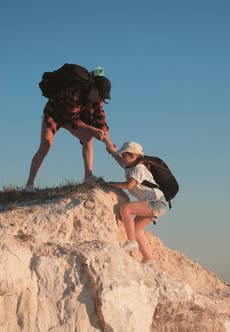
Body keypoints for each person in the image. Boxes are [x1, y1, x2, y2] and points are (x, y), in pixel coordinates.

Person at [25, 65, 112, 193]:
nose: (101, 100)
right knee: (46, 145)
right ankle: (29, 185)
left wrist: (109, 142)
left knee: (87, 137)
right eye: (100, 96)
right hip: (54, 113)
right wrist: (93, 130)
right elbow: (73, 120)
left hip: (72, 116)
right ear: (93, 89)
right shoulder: (75, 91)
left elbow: (101, 120)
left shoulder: (98, 100)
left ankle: (88, 176)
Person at [102, 139, 169, 266]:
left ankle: (131, 242)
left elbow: (129, 185)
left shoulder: (139, 168)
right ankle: (148, 259)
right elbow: (116, 157)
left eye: (124, 155)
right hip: (156, 203)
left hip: (157, 202)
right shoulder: (130, 167)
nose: (122, 157)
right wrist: (108, 143)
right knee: (136, 229)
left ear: (132, 155)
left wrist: (109, 184)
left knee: (125, 209)